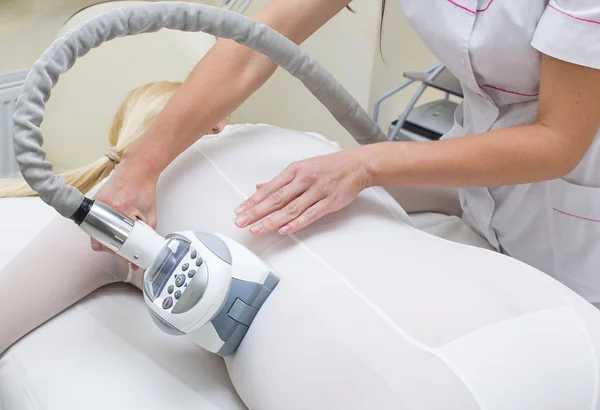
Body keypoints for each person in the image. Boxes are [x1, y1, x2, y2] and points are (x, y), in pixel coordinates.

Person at [3, 81, 600, 410]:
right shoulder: (313, 149)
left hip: (384, 379)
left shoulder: (116, 213)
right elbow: (457, 200)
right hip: (565, 331)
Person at [91, 0, 600, 305]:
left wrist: (364, 164)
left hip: (577, 207)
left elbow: (557, 139)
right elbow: (257, 42)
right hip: (485, 191)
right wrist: (143, 165)